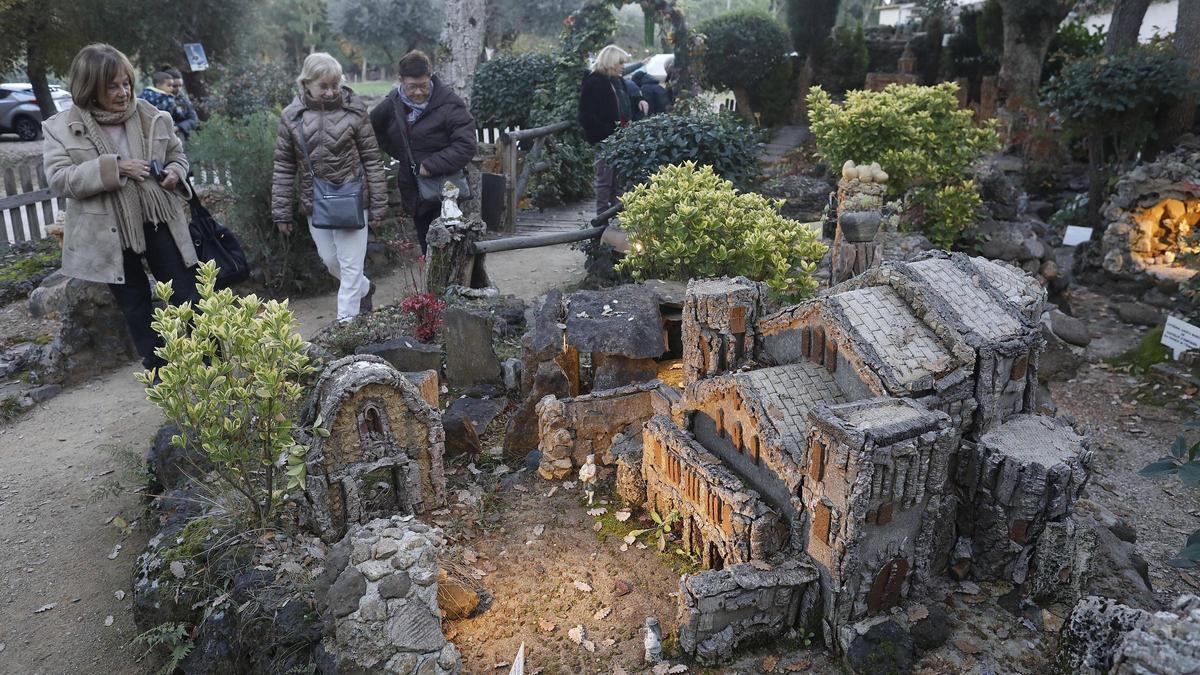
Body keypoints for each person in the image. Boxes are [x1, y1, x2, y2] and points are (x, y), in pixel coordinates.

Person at [43, 44, 200, 373]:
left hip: (159, 220)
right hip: (107, 233)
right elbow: (59, 179)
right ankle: (165, 381)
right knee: (137, 308)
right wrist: (114, 169)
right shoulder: (59, 128)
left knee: (190, 298)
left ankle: (211, 370)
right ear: (90, 87)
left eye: (126, 83)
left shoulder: (152, 115)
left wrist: (175, 171)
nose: (123, 92)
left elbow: (177, 155)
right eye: (112, 86)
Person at [272, 52, 388, 322]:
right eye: (323, 86)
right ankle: (366, 288)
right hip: (316, 201)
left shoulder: (355, 110)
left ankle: (345, 329)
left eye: (334, 85)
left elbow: (372, 158)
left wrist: (380, 205)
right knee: (330, 261)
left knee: (349, 267)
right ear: (306, 83)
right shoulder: (292, 116)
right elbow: (284, 166)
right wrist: (281, 212)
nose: (330, 91)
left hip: (353, 199)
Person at [370, 50, 477, 255]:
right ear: (401, 80)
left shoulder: (450, 104)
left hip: (447, 190)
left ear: (430, 76)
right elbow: (373, 131)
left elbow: (466, 145)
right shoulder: (392, 105)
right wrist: (403, 154)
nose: (418, 92)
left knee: (450, 250)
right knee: (427, 248)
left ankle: (458, 286)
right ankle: (435, 287)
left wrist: (431, 164)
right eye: (412, 87)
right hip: (415, 192)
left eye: (423, 86)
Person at [578, 45, 645, 215]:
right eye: (621, 63)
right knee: (605, 181)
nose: (623, 66)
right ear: (611, 62)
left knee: (619, 182)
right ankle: (601, 221)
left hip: (621, 136)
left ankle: (618, 220)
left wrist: (638, 103)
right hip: (605, 139)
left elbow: (625, 103)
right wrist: (605, 131)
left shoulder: (617, 80)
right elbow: (586, 115)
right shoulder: (595, 81)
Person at [165, 67, 200, 140]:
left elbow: (194, 120)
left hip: (180, 137)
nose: (178, 89)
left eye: (180, 86)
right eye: (174, 86)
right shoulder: (157, 99)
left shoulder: (183, 99)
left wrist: (179, 127)